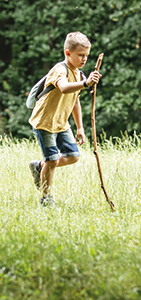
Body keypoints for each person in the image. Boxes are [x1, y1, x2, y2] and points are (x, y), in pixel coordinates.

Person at [28, 31, 102, 207]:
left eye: (87, 56)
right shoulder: (60, 70)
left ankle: (39, 167)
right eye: (80, 55)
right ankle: (46, 198)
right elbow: (63, 88)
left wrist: (80, 128)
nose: (84, 59)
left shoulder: (78, 73)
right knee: (52, 160)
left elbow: (74, 100)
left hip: (61, 123)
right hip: (44, 122)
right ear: (68, 53)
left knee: (73, 156)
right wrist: (86, 84)